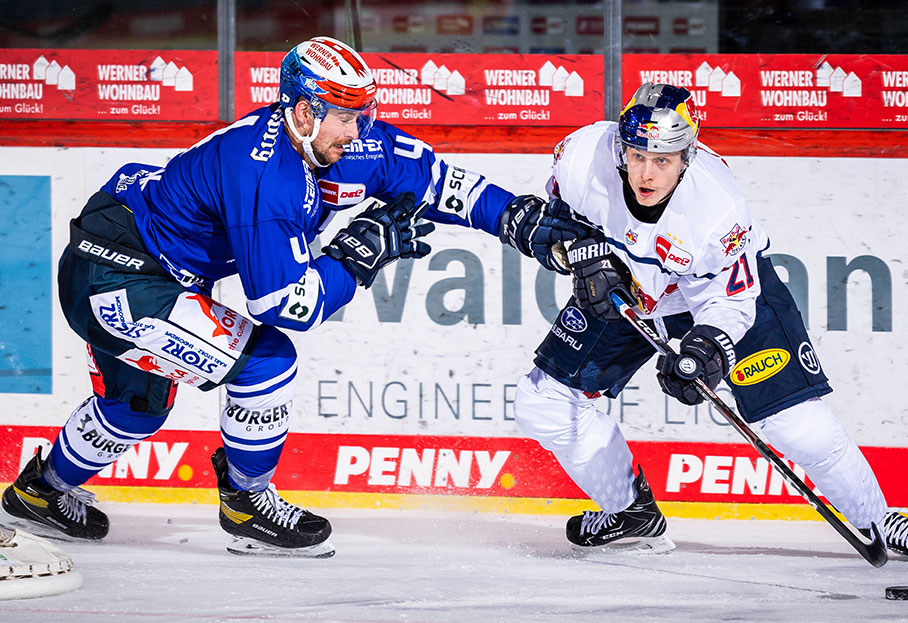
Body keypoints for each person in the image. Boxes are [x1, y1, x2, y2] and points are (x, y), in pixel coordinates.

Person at [1, 37, 588, 557]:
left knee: (138, 406)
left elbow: (439, 184)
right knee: (266, 359)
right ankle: (247, 501)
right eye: (344, 118)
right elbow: (286, 306)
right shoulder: (266, 174)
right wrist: (358, 258)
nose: (357, 132)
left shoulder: (347, 143)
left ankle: (39, 493)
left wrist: (518, 219)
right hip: (116, 276)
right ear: (304, 111)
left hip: (148, 264)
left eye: (364, 115)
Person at [513, 82, 908, 562]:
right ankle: (630, 511)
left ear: (688, 153)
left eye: (663, 159)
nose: (646, 172)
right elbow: (560, 220)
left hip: (719, 296)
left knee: (795, 425)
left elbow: (732, 303)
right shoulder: (581, 156)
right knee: (543, 403)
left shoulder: (717, 208)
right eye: (637, 154)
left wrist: (705, 349)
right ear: (621, 145)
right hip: (629, 286)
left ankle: (876, 519)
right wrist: (579, 256)